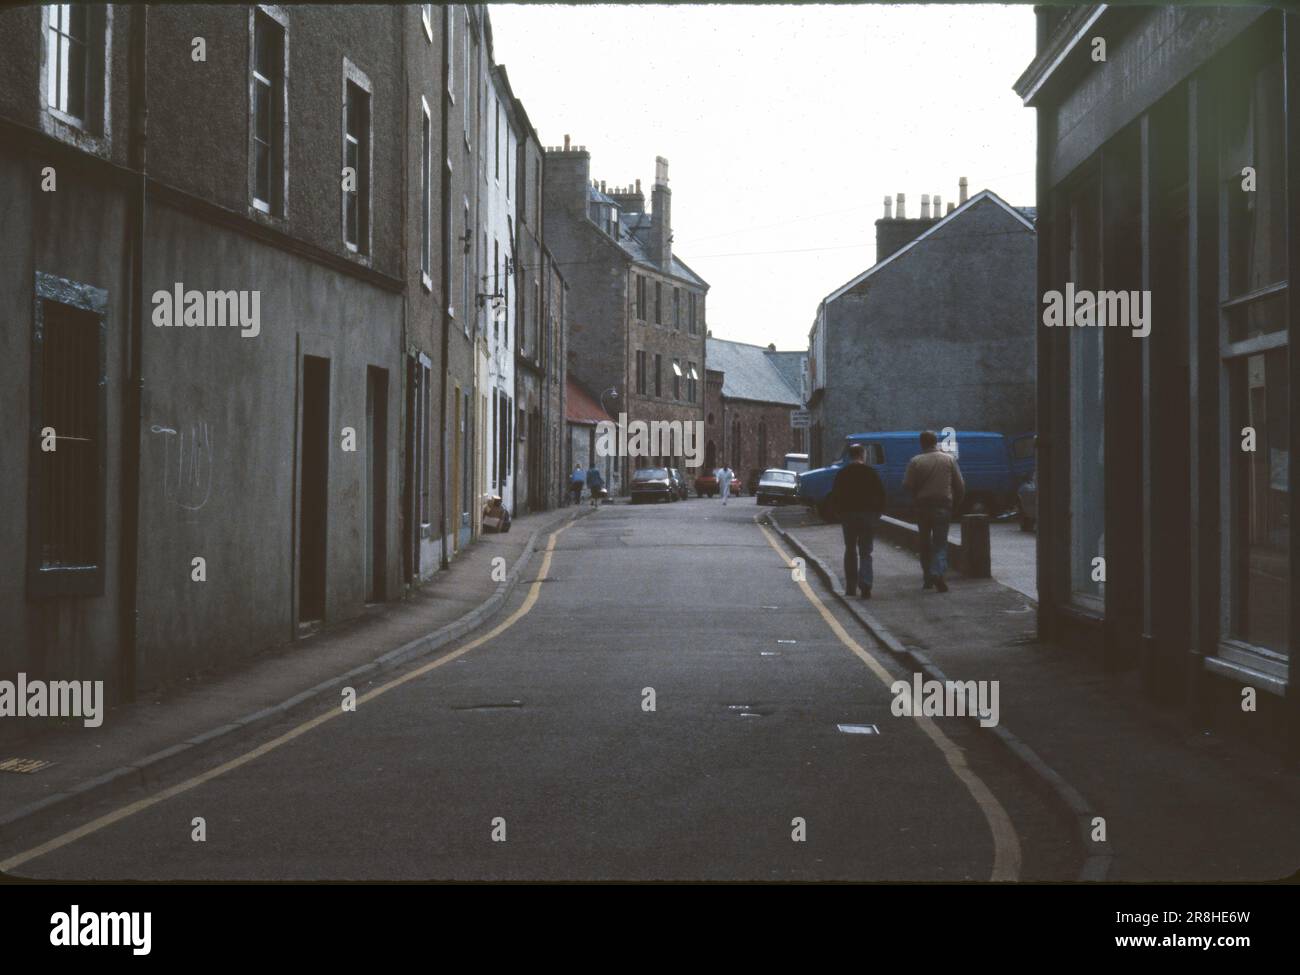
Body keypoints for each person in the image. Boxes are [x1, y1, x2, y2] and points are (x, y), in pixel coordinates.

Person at [902, 430, 965, 593]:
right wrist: (955, 504)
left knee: (924, 544)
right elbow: (960, 486)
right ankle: (938, 573)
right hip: (943, 506)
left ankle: (928, 578)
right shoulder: (949, 459)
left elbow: (907, 485)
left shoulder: (915, 461)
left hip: (922, 507)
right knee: (940, 544)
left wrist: (916, 494)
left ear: (921, 443)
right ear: (936, 441)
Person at [829, 443, 886, 598]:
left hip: (848, 516)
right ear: (862, 455)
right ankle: (866, 585)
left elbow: (835, 495)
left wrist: (839, 513)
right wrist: (877, 514)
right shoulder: (871, 472)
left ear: (850, 455)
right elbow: (881, 495)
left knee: (850, 549)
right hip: (867, 516)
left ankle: (850, 587)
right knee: (866, 551)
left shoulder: (843, 473)